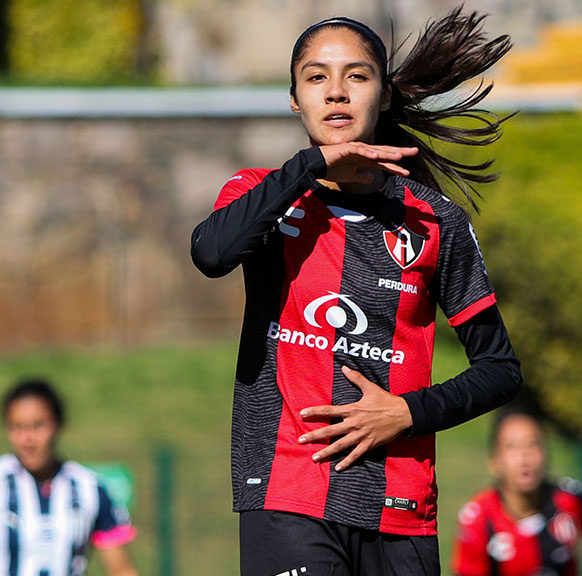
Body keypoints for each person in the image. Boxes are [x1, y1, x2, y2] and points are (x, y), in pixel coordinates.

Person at [191, 7, 522, 576]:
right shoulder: (260, 196)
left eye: (357, 75)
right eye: (316, 77)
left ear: (385, 95)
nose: (336, 92)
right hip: (286, 491)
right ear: (295, 99)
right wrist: (313, 164)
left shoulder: (435, 222)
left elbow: (500, 369)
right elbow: (212, 253)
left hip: (399, 508)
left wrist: (405, 413)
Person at [0, 378, 139, 576]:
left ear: (58, 424)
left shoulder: (92, 489)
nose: (28, 439)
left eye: (38, 425)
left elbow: (121, 569)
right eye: (17, 427)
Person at [451, 408, 582, 576]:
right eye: (512, 447)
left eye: (533, 444)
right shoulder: (478, 519)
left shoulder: (569, 499)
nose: (524, 457)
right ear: (494, 461)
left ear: (546, 453)